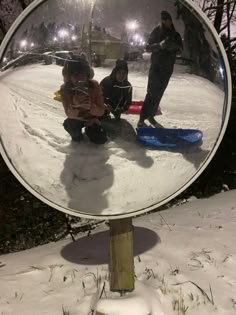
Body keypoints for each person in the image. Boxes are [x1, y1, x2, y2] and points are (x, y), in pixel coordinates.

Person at [138, 11, 183, 127]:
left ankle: (151, 115)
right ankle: (142, 117)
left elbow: (180, 50)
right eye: (164, 20)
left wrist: (175, 47)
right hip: (156, 68)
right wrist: (160, 45)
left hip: (167, 69)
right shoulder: (156, 32)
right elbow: (147, 47)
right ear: (162, 21)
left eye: (168, 20)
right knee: (151, 92)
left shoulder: (175, 35)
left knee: (159, 93)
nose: (167, 22)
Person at [60, 56, 107, 144]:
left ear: (87, 74)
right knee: (71, 127)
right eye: (75, 74)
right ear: (69, 76)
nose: (80, 78)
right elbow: (68, 113)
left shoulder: (94, 85)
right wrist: (75, 106)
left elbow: (101, 111)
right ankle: (78, 136)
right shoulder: (65, 89)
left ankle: (91, 129)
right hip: (77, 118)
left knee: (100, 139)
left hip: (93, 117)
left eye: (83, 74)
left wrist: (91, 107)